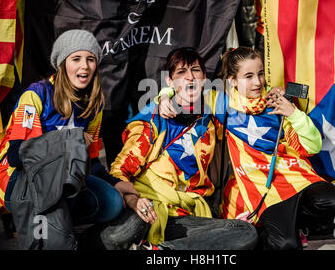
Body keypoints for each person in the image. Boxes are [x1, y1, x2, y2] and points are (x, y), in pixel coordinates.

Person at [158, 46, 335, 250]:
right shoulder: (221, 101)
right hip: (260, 185)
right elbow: (187, 91)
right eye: (248, 76)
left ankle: (292, 226)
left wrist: (293, 113)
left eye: (260, 74)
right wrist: (164, 96)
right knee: (286, 245)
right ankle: (271, 231)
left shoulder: (276, 100)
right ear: (232, 81)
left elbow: (313, 146)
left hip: (292, 174)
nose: (257, 82)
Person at [0, 30, 123, 248]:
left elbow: (91, 163)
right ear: (62, 64)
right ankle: (45, 231)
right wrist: (70, 140)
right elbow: (17, 157)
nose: (85, 66)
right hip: (19, 180)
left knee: (112, 202)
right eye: (76, 59)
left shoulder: (94, 104)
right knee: (64, 179)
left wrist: (117, 183)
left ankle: (59, 229)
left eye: (91, 59)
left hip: (66, 183)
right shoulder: (36, 94)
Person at [100, 47, 258, 250]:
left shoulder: (213, 118)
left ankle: (159, 250)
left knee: (243, 231)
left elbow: (247, 106)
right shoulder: (152, 120)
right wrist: (132, 200)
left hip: (185, 216)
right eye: (181, 72)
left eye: (196, 70)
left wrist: (274, 95)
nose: (190, 77)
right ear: (169, 81)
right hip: (147, 208)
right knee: (126, 230)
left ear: (203, 78)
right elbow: (119, 171)